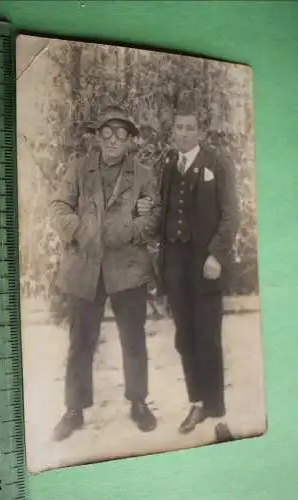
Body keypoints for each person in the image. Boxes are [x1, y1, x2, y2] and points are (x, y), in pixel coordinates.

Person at [50, 105, 160, 441]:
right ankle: (74, 409)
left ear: (129, 139)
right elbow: (58, 207)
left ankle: (138, 403)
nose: (113, 140)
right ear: (97, 137)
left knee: (133, 339)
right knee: (80, 341)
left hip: (127, 268)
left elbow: (154, 215)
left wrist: (130, 228)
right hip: (86, 267)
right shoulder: (79, 169)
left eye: (121, 133)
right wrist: (80, 230)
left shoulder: (143, 174)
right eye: (107, 133)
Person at [138, 99, 239, 442]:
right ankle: (197, 401)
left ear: (201, 131)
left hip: (206, 265)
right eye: (178, 128)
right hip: (177, 269)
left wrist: (216, 255)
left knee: (207, 337)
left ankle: (216, 409)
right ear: (172, 132)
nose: (183, 133)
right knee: (184, 338)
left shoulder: (217, 163)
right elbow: (163, 218)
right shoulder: (168, 168)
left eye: (190, 128)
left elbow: (231, 215)